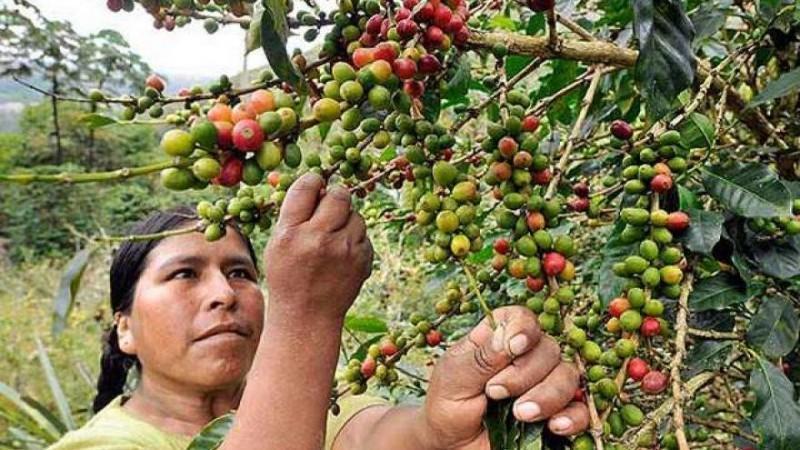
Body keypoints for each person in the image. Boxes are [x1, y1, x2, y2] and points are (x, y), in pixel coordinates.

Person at [49, 173, 590, 450]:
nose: (224, 294)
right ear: (124, 328)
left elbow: (380, 436)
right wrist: (306, 315)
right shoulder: (100, 444)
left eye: (240, 273)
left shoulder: (321, 407)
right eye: (184, 274)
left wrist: (451, 425)